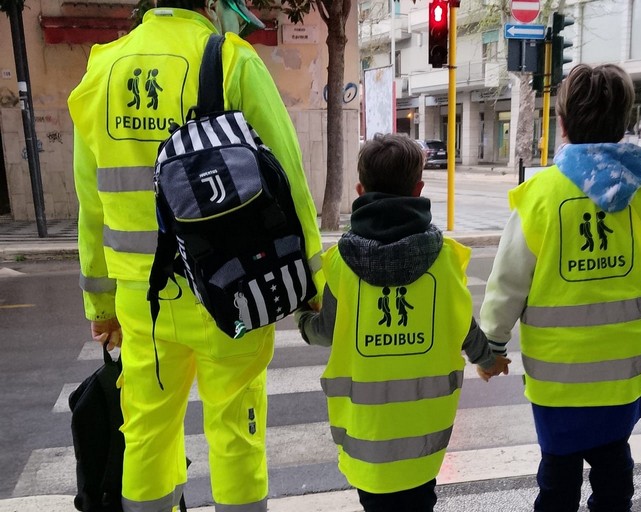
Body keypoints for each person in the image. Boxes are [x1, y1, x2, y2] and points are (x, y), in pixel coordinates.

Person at [67, 1, 323, 510]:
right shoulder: (231, 60)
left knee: (146, 430)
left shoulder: (101, 71)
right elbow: (287, 177)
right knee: (235, 431)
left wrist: (100, 306)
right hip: (232, 287)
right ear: (210, 4)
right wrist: (311, 280)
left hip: (143, 305)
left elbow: (90, 202)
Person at [480, 63, 641, 512]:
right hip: (622, 376)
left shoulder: (541, 196)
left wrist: (491, 347)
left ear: (562, 124)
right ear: (625, 122)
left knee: (558, 476)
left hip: (557, 381)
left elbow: (508, 281)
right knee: (613, 471)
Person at [294, 133, 509, 512]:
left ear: (361, 189)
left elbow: (325, 331)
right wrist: (488, 360)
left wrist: (302, 318)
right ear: (419, 188)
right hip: (424, 436)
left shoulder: (341, 264)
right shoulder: (444, 260)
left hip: (366, 435)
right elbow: (465, 327)